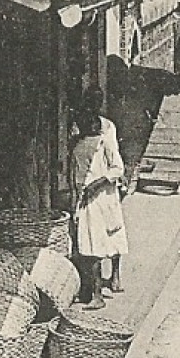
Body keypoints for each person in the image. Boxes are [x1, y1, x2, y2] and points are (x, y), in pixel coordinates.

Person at [69, 104, 128, 310]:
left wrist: (99, 182)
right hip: (85, 199)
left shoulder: (104, 143)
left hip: (102, 197)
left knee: (104, 240)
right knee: (89, 245)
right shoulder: (77, 144)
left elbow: (118, 168)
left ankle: (98, 293)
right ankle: (92, 291)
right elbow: (76, 172)